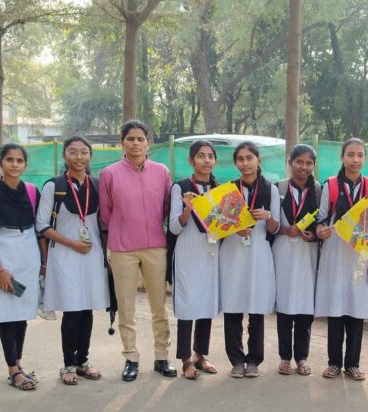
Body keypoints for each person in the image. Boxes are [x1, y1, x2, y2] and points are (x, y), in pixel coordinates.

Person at [99, 120, 176, 380]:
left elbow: (166, 207)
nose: (135, 143)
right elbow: (106, 213)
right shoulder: (109, 174)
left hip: (156, 246)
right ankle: (131, 358)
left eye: (140, 138)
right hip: (123, 249)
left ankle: (162, 356)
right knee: (126, 306)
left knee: (159, 306)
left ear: (148, 143)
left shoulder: (162, 171)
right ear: (122, 143)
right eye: (130, 139)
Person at [37, 136, 110, 385]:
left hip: (92, 255)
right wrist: (71, 243)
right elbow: (42, 225)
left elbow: (104, 222)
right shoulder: (54, 186)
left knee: (87, 309)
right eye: (73, 152)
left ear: (90, 156)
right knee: (72, 310)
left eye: (83, 152)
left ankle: (83, 361)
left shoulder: (97, 185)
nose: (79, 157)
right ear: (64, 155)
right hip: (65, 256)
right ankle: (68, 364)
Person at [315, 138, 368, 381]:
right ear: (342, 157)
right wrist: (320, 230)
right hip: (335, 253)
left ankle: (353, 363)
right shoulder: (330, 185)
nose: (355, 159)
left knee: (356, 308)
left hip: (360, 255)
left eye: (360, 155)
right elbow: (321, 218)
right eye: (350, 154)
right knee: (336, 308)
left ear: (365, 158)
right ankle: (333, 363)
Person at [219, 141, 280, 378]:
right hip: (233, 254)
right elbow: (218, 226)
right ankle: (236, 360)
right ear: (236, 163)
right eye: (240, 159)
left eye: (249, 158)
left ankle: (254, 360)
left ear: (258, 160)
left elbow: (275, 228)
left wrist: (268, 216)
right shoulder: (228, 190)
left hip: (258, 255)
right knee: (233, 305)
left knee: (256, 308)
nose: (245, 163)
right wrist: (233, 229)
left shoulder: (270, 190)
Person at [0, 143, 41, 391]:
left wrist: (43, 263)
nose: (15, 165)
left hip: (28, 255)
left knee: (22, 314)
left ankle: (18, 364)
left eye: (19, 160)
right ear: (0, 163)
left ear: (25, 164)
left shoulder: (31, 191)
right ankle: (12, 371)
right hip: (3, 256)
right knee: (7, 315)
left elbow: (39, 228)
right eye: (9, 160)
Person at [168, 140, 222, 380]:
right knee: (188, 303)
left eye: (210, 156)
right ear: (191, 160)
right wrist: (188, 208)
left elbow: (225, 224)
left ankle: (200, 354)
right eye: (201, 156)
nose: (206, 160)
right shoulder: (180, 188)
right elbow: (174, 227)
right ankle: (185, 359)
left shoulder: (220, 189)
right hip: (188, 252)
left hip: (211, 251)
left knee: (206, 301)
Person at [273, 144, 321, 376]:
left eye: (308, 163)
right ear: (289, 163)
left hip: (308, 254)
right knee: (284, 306)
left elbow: (324, 221)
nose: (304, 167)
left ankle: (302, 357)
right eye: (299, 162)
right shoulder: (278, 188)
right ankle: (284, 357)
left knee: (304, 307)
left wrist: (315, 235)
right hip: (283, 252)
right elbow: (270, 223)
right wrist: (285, 230)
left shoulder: (319, 189)